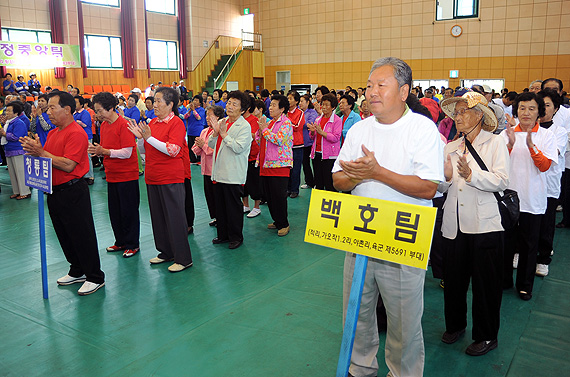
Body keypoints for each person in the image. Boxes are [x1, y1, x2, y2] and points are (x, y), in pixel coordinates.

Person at [332, 57, 444, 377]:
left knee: (403, 322)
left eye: (381, 85)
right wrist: (356, 177)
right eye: (369, 85)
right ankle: (359, 369)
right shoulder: (359, 129)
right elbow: (339, 180)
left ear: (404, 91)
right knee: (356, 313)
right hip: (361, 233)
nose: (371, 92)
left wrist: (376, 172)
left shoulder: (422, 130)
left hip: (403, 237)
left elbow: (427, 187)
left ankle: (403, 372)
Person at [438, 92, 508, 356]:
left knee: (485, 284)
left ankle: (487, 335)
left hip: (484, 225)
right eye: (455, 113)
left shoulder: (495, 143)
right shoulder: (451, 147)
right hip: (454, 224)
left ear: (479, 115)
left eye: (463, 112)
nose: (457, 117)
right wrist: (444, 179)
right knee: (453, 280)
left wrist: (472, 175)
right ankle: (455, 325)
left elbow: (502, 180)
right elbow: (444, 186)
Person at [20, 91, 105, 295]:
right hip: (54, 191)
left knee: (82, 234)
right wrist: (35, 150)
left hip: (73, 190)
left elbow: (68, 164)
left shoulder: (76, 133)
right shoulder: (53, 133)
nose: (47, 111)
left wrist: (42, 153)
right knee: (64, 233)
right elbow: (48, 158)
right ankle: (77, 269)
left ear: (67, 110)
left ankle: (94, 276)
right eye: (47, 107)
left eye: (52, 107)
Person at [127, 87, 193, 272]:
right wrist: (141, 138)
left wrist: (148, 138)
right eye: (153, 101)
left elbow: (173, 150)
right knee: (159, 218)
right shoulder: (153, 123)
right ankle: (166, 252)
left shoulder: (177, 123)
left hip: (171, 178)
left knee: (175, 218)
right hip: (153, 177)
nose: (154, 105)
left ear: (170, 104)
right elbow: (145, 149)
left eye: (158, 101)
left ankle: (183, 258)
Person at [500, 92, 557, 301]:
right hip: (508, 200)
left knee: (529, 245)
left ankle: (524, 285)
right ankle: (504, 279)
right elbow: (498, 165)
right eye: (522, 108)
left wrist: (531, 145)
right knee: (505, 242)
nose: (526, 113)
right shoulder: (505, 134)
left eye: (532, 109)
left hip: (533, 199)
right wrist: (511, 144)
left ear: (539, 113)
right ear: (516, 111)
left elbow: (544, 166)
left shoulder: (546, 136)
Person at [89, 92, 141, 258]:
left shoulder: (124, 124)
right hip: (112, 175)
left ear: (110, 108)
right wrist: (98, 152)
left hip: (127, 175)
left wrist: (104, 151)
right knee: (115, 211)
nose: (97, 114)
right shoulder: (103, 125)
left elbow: (127, 152)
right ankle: (120, 241)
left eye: (99, 111)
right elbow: (107, 148)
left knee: (129, 211)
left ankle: (133, 244)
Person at [208, 91, 252, 249]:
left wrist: (224, 134)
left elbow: (239, 148)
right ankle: (223, 235)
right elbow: (212, 145)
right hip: (219, 172)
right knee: (220, 206)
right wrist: (215, 132)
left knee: (233, 208)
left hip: (233, 173)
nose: (230, 106)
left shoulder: (244, 126)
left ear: (242, 109)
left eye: (234, 104)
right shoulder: (223, 121)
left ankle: (236, 237)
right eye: (229, 103)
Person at [535, 89, 567, 277]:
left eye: (547, 105)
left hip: (548, 186)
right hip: (527, 185)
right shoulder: (528, 129)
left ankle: (543, 259)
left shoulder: (559, 131)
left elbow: (549, 155)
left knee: (546, 224)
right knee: (525, 223)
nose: (543, 109)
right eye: (540, 105)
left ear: (555, 109)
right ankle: (519, 252)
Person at [257, 94, 293, 236]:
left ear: (282, 108)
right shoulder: (271, 122)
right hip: (267, 164)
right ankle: (277, 221)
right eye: (270, 104)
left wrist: (264, 130)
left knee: (279, 196)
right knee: (270, 196)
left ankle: (284, 223)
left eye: (273, 105)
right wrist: (260, 132)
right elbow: (261, 141)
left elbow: (278, 140)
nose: (270, 108)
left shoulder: (286, 123)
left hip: (280, 166)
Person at [192, 105, 224, 227]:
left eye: (210, 115)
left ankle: (221, 218)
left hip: (215, 170)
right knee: (209, 195)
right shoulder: (204, 131)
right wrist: (199, 146)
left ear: (218, 117)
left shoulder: (220, 131)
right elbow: (196, 149)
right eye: (206, 115)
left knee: (217, 196)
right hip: (205, 169)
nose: (207, 118)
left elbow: (214, 150)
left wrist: (203, 146)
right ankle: (215, 217)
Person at [308, 93, 342, 191]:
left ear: (333, 107)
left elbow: (336, 137)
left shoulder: (337, 120)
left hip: (329, 156)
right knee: (318, 183)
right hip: (316, 154)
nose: (324, 107)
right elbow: (312, 138)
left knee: (329, 183)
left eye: (327, 105)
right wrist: (313, 132)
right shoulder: (318, 119)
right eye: (323, 104)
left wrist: (322, 132)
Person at [0, 101, 31, 199]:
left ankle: (25, 192)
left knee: (20, 172)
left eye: (9, 111)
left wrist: (5, 134)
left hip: (18, 150)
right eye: (6, 111)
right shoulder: (8, 123)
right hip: (9, 150)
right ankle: (17, 191)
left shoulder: (19, 122)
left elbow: (17, 137)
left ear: (16, 113)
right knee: (13, 173)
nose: (7, 113)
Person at [241, 100, 262, 217]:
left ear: (248, 108)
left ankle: (256, 207)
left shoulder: (254, 120)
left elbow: (255, 136)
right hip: (242, 156)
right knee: (243, 182)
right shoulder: (239, 120)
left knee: (254, 182)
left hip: (253, 156)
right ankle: (245, 205)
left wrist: (244, 132)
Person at [286, 90, 305, 198]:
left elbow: (298, 126)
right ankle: (288, 188)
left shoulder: (300, 113)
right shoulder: (284, 112)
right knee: (288, 168)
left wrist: (287, 123)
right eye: (287, 98)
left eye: (290, 98)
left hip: (297, 145)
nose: (288, 100)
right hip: (287, 145)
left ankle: (294, 190)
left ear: (296, 101)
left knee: (296, 169)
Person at [74, 95, 94, 185]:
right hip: (78, 137)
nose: (74, 104)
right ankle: (83, 175)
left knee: (87, 156)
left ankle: (90, 176)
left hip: (86, 136)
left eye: (76, 103)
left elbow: (85, 124)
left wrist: (77, 122)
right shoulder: (74, 113)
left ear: (81, 104)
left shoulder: (85, 113)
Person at [299, 94, 317, 189]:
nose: (300, 103)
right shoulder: (299, 112)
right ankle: (309, 181)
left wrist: (299, 123)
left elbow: (310, 124)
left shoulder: (312, 112)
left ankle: (316, 182)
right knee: (305, 163)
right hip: (301, 142)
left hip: (309, 141)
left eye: (302, 101)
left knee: (313, 163)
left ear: (308, 102)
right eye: (300, 101)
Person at [184, 95, 206, 163]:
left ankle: (199, 159)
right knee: (190, 146)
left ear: (200, 103)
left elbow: (198, 118)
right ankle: (192, 159)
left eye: (196, 100)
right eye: (194, 100)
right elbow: (185, 117)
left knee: (198, 146)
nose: (195, 102)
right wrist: (190, 110)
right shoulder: (189, 110)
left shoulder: (201, 110)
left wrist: (193, 110)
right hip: (190, 130)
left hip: (198, 131)